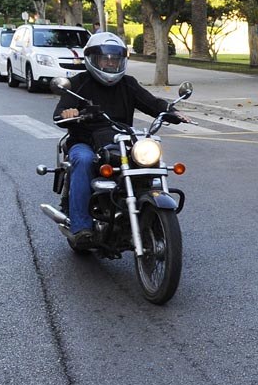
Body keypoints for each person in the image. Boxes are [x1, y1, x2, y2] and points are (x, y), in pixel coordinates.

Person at [53, 32, 190, 246]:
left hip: (121, 141)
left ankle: (149, 216)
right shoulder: (79, 83)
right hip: (85, 140)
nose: (109, 63)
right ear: (92, 59)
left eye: (114, 59)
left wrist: (170, 111)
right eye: (104, 59)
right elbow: (60, 112)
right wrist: (68, 113)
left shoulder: (128, 83)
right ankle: (81, 228)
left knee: (149, 160)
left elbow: (151, 103)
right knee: (83, 160)